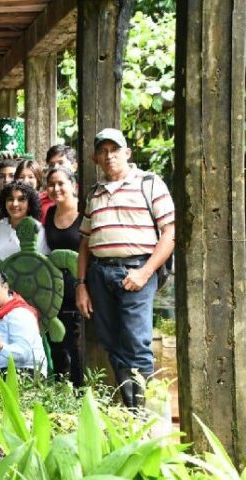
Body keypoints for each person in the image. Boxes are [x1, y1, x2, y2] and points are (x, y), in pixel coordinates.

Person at [76, 128, 174, 408]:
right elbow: (84, 242)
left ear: (127, 153)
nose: (109, 156)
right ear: (96, 158)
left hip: (137, 270)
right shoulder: (94, 193)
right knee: (112, 343)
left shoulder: (150, 183)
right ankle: (131, 410)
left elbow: (170, 233)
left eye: (115, 150)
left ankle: (144, 413)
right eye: (103, 152)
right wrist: (81, 284)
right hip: (100, 274)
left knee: (137, 344)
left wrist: (145, 273)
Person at [43, 167, 85, 387]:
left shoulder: (84, 211)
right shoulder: (49, 214)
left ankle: (81, 393)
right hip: (56, 290)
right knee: (57, 341)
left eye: (61, 183)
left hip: (81, 286)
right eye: (51, 184)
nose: (56, 188)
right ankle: (59, 392)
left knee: (78, 343)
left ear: (73, 185)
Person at [0, 270, 47, 377]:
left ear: (5, 287)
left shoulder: (20, 313)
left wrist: (0, 346)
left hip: (24, 372)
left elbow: (24, 355)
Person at [0, 182, 49, 260]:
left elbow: (44, 262)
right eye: (10, 199)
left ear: (29, 204)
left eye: (21, 199)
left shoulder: (38, 229)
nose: (15, 204)